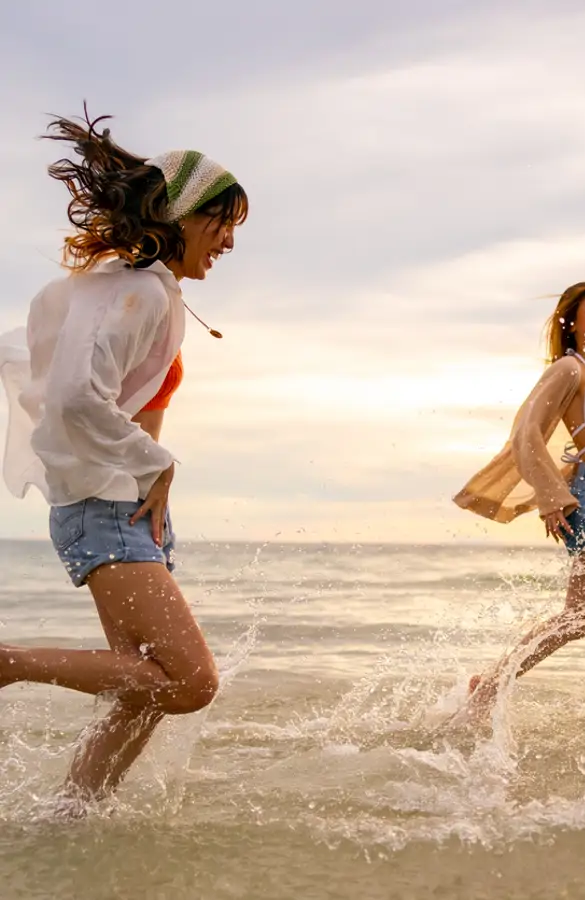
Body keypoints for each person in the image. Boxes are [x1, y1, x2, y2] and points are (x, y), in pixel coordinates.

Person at [0, 109, 248, 808]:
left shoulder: (130, 288)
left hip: (121, 508)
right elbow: (75, 396)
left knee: (141, 689)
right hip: (110, 506)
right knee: (189, 682)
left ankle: (74, 813)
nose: (229, 241)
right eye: (221, 221)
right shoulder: (135, 290)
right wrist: (155, 460)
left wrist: (146, 475)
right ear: (180, 216)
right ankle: (7, 663)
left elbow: (58, 378)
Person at [453, 282, 585, 718]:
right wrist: (550, 497)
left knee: (580, 617)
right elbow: (527, 433)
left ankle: (489, 685)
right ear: (573, 321)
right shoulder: (570, 369)